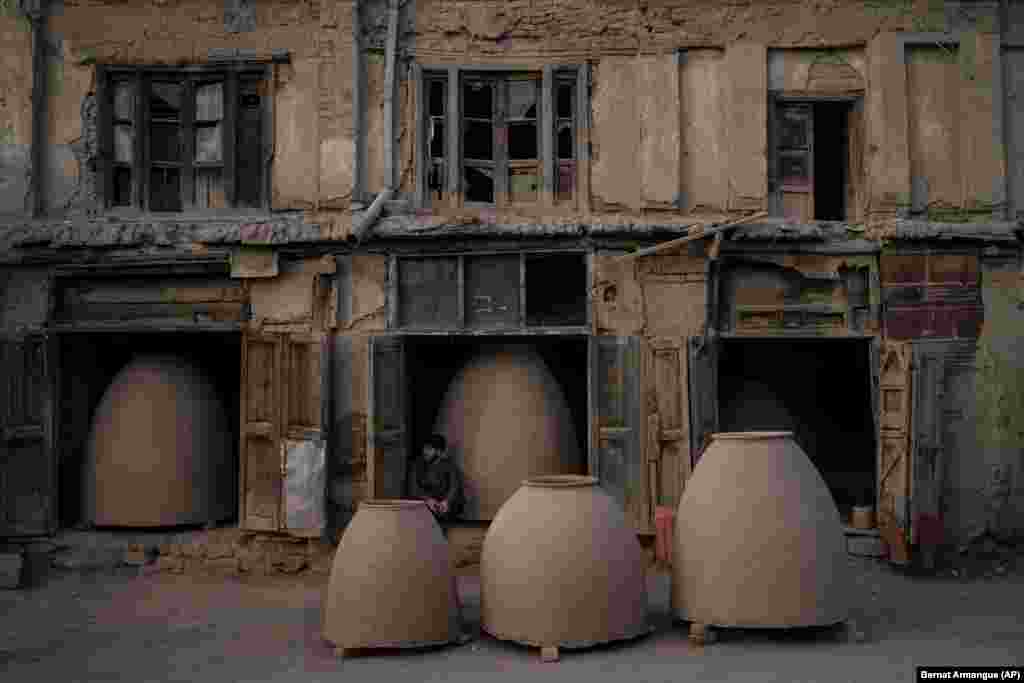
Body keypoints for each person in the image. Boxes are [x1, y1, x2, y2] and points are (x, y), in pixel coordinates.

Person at [408, 433, 465, 531]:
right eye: (424, 448)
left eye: (429, 449)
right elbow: (413, 488)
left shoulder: (449, 465)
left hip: (443, 505)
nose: (425, 452)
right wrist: (427, 499)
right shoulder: (417, 465)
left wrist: (446, 502)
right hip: (424, 503)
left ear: (439, 452)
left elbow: (454, 486)